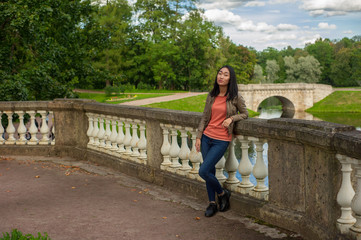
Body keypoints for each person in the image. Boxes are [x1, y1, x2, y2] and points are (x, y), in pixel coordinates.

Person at [195, 65, 248, 217]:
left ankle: (222, 193)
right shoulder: (212, 95)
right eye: (220, 73)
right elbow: (205, 117)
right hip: (206, 137)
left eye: (225, 74)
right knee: (209, 171)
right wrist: (199, 137)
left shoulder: (235, 97)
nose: (221, 76)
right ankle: (212, 203)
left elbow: (245, 114)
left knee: (203, 171)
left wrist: (231, 118)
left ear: (230, 79)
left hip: (221, 139)